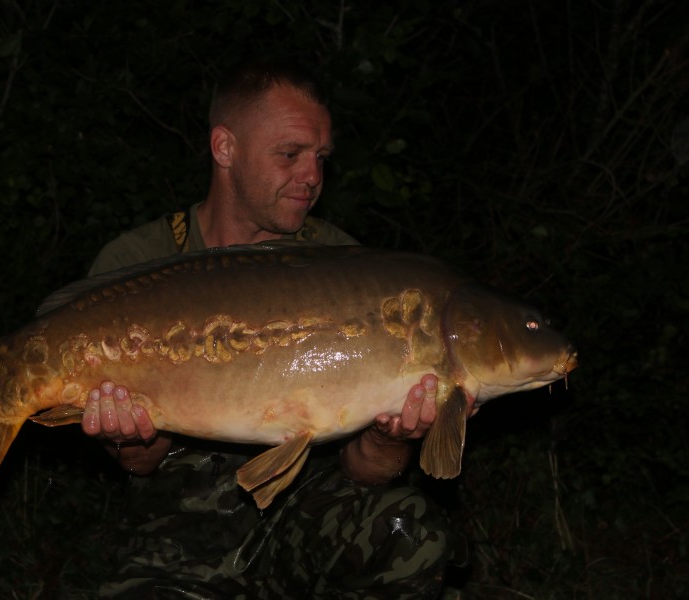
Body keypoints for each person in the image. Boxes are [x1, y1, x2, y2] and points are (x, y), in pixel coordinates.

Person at [77, 58, 468, 599]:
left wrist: (388, 437)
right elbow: (139, 464)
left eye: (321, 158)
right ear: (225, 148)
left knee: (409, 531)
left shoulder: (345, 266)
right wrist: (128, 433)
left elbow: (367, 474)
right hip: (178, 528)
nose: (312, 177)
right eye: (290, 155)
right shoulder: (141, 262)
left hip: (305, 514)